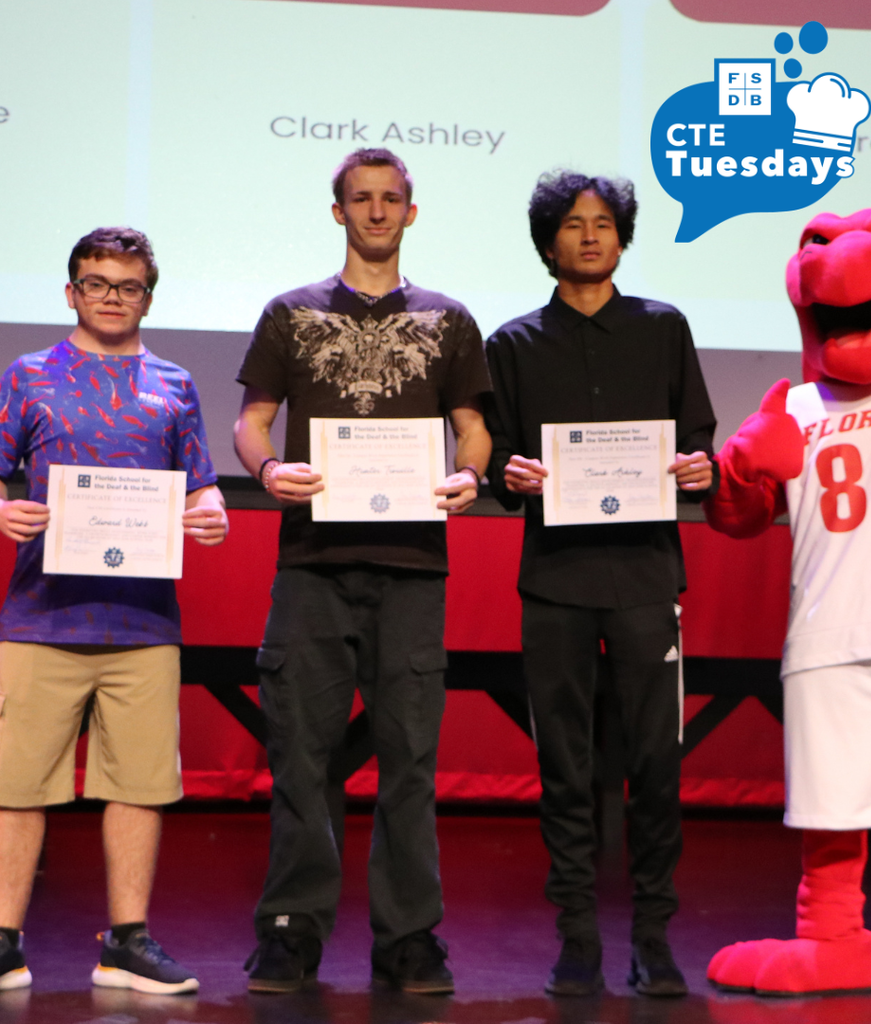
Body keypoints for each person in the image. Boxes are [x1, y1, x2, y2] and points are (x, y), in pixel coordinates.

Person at [235, 148, 491, 995]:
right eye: (361, 200)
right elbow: (253, 422)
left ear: (411, 214)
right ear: (337, 210)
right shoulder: (290, 312)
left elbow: (471, 427)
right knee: (301, 756)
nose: (376, 212)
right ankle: (289, 933)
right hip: (311, 562)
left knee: (410, 761)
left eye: (391, 200)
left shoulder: (450, 318)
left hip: (414, 566)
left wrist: (470, 473)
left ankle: (410, 941)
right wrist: (269, 473)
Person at [484, 172, 717, 997]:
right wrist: (507, 473)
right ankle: (576, 936)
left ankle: (653, 935)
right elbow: (496, 458)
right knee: (566, 767)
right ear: (548, 242)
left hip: (648, 575)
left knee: (656, 762)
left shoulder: (663, 328)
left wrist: (699, 466)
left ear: (622, 237)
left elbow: (698, 441)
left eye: (604, 223)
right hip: (554, 580)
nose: (590, 235)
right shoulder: (511, 343)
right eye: (574, 225)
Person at [0, 227, 228, 994]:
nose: (111, 297)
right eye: (96, 283)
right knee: (16, 784)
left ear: (148, 298)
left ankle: (125, 943)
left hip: (143, 624)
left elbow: (200, 481)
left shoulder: (175, 382)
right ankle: (3, 942)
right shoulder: (27, 376)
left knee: (139, 784)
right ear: (71, 292)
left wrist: (213, 510)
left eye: (127, 287)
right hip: (40, 617)